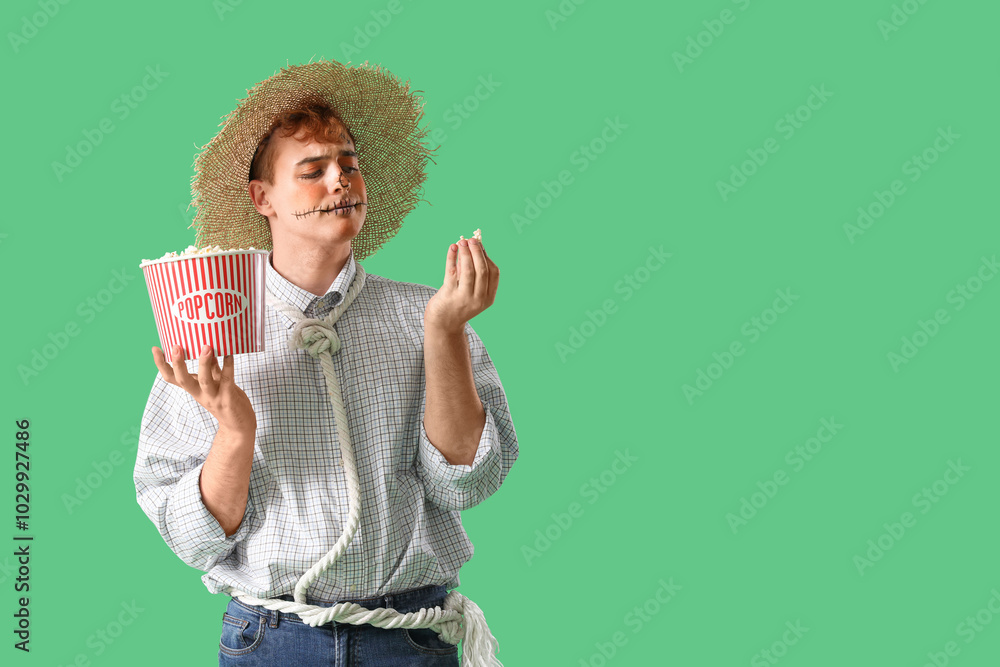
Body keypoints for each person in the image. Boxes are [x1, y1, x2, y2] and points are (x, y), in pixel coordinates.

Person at [133, 59, 518, 666]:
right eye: (312, 170)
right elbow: (191, 539)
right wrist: (235, 429)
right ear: (263, 198)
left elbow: (465, 483)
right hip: (270, 639)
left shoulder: (429, 312)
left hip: (412, 634)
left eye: (349, 165)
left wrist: (445, 329)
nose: (340, 180)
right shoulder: (207, 319)